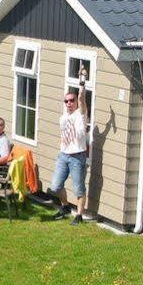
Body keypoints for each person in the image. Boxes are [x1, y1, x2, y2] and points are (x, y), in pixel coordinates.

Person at [51, 68, 92, 224]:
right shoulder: (63, 117)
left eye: (71, 100)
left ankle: (79, 215)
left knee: (79, 189)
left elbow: (82, 98)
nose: (69, 103)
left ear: (76, 102)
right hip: (63, 155)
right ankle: (66, 206)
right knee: (55, 186)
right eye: (66, 101)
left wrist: (82, 80)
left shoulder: (80, 115)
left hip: (77, 157)